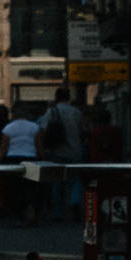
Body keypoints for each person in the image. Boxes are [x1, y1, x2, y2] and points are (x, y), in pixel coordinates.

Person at [38, 85, 87, 219]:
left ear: (56, 97)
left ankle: (58, 212)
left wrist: (42, 150)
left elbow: (42, 131)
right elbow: (83, 132)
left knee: (56, 183)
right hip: (75, 152)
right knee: (75, 180)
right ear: (68, 98)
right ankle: (75, 201)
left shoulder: (51, 112)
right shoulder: (76, 112)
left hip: (56, 152)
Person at [0, 100, 44, 225]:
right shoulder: (35, 127)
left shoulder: (8, 128)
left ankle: (18, 212)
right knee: (31, 188)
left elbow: (4, 147)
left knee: (15, 188)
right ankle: (31, 210)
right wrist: (43, 158)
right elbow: (39, 146)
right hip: (31, 158)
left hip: (13, 159)